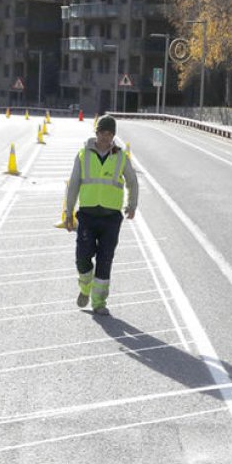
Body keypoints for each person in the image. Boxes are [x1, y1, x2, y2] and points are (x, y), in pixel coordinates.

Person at [64, 114, 139, 316]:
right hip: (87, 216)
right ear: (96, 133)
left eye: (109, 133)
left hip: (111, 218)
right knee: (82, 258)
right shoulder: (83, 155)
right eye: (102, 132)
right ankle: (85, 287)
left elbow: (132, 181)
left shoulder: (121, 157)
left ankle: (99, 302)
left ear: (113, 135)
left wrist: (132, 204)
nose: (105, 137)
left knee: (105, 260)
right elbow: (73, 185)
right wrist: (68, 212)